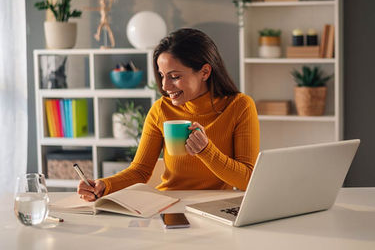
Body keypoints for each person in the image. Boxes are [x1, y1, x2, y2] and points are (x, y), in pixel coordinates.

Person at [77, 28, 260, 201]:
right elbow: (140, 170)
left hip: (214, 208)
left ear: (204, 72)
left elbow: (248, 179)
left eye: (174, 77)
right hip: (168, 206)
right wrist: (104, 185)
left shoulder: (239, 107)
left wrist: (206, 151)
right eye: (162, 75)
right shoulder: (160, 110)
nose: (165, 86)